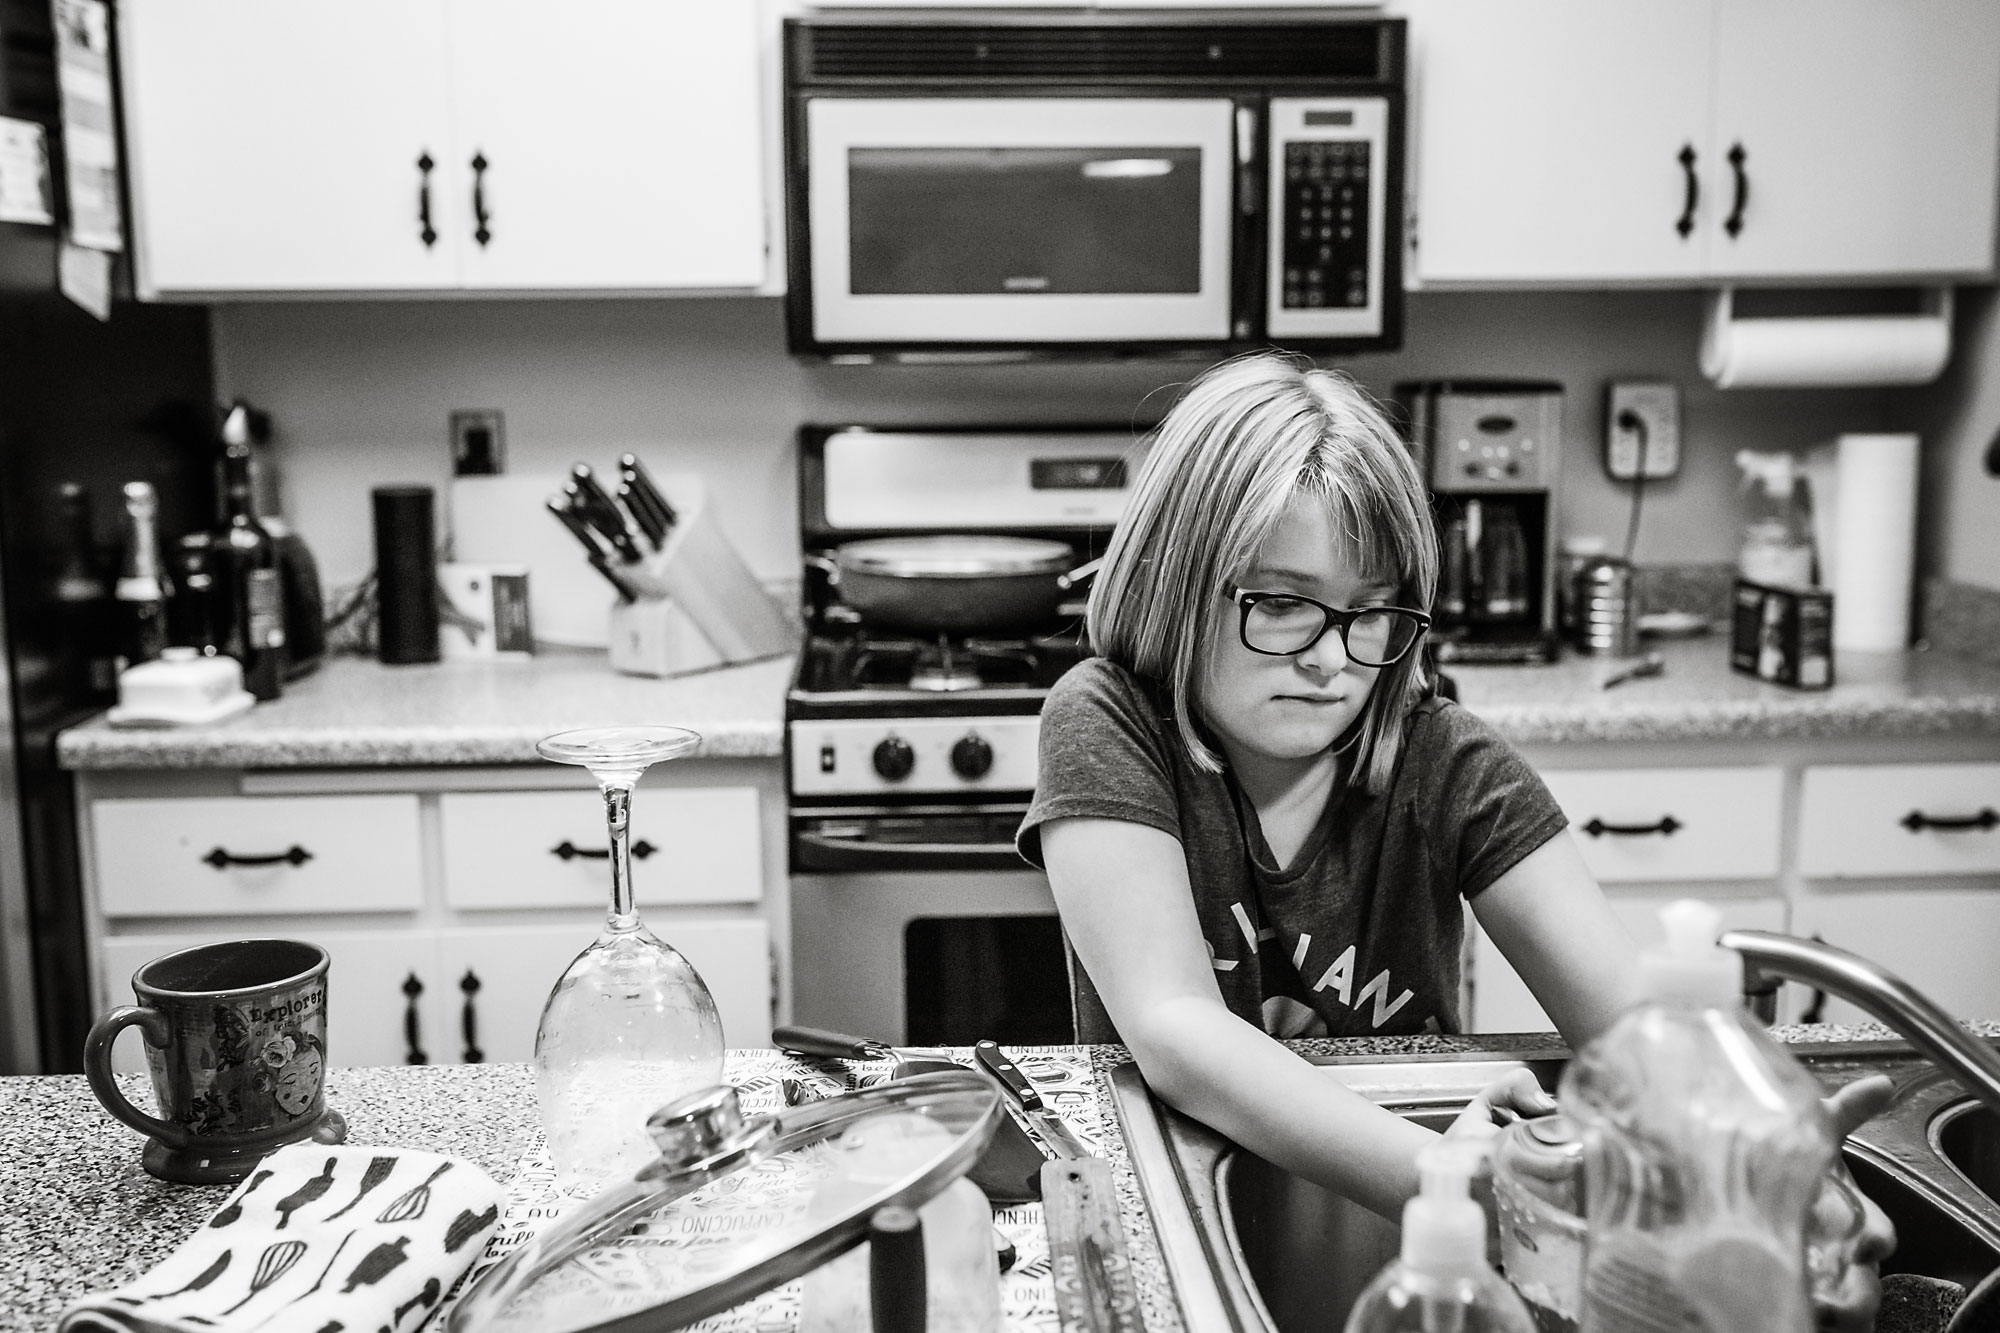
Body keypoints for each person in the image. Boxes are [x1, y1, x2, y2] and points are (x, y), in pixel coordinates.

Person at [1017, 353, 1893, 1328]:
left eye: (1368, 613)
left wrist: (1755, 1160)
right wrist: (1438, 1175)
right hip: (1163, 1199)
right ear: (1172, 580)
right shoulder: (1103, 720)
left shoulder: (1442, 759)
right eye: (1277, 601)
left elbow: (1631, 1023)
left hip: (1408, 1241)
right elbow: (1176, 1031)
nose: (1326, 657)